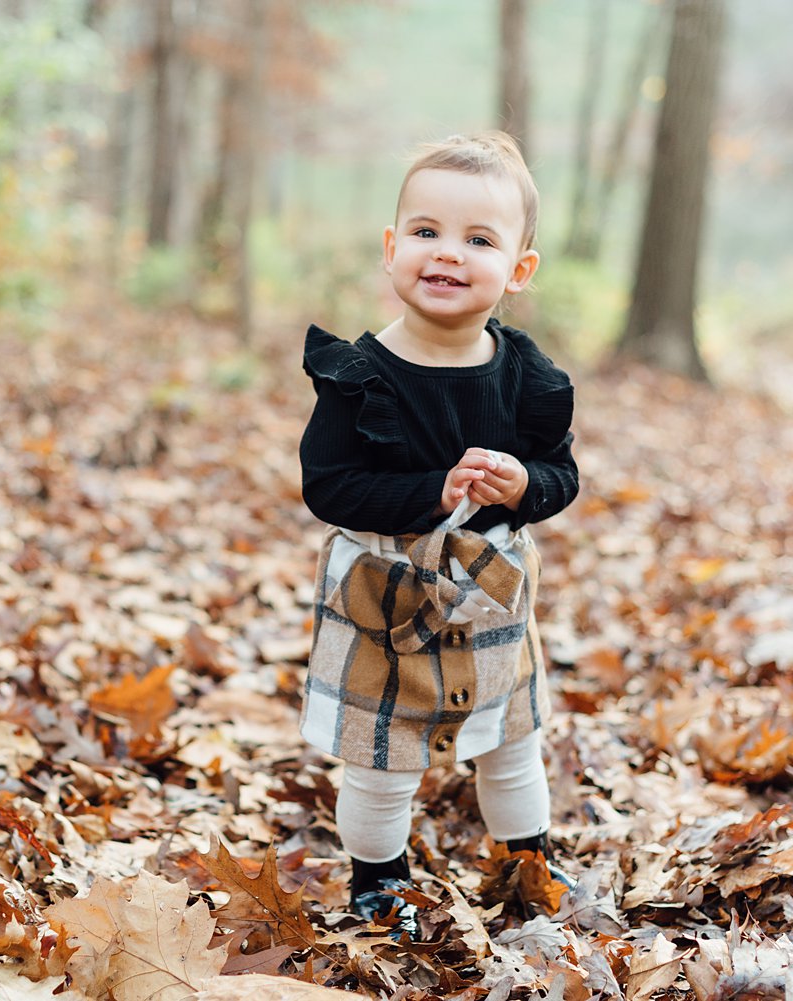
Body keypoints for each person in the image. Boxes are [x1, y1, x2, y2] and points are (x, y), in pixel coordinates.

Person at [297, 132, 579, 940]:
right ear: (392, 249)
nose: (447, 254)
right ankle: (377, 878)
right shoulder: (358, 376)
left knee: (511, 740)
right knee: (379, 754)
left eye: (479, 239)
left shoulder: (529, 377)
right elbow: (329, 485)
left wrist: (524, 484)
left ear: (518, 271)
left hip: (492, 590)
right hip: (384, 591)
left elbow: (561, 476)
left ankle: (527, 857)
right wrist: (430, 493)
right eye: (426, 232)